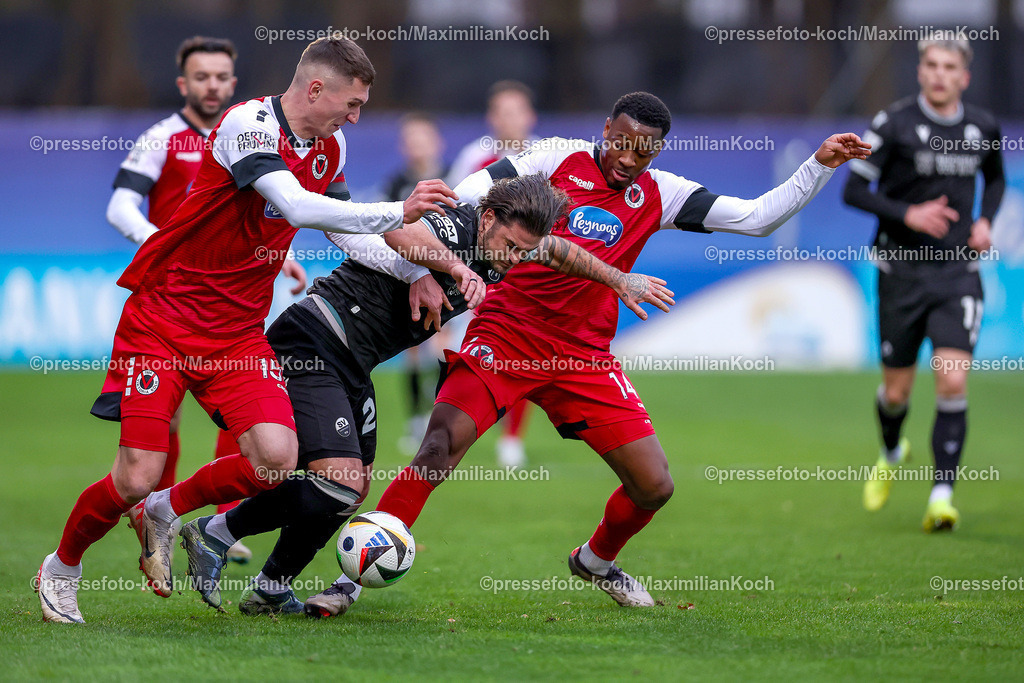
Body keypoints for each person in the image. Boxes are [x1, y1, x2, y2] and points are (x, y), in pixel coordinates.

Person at [332, 91, 869, 609]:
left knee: (654, 486)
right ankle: (351, 579)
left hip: (583, 355)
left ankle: (595, 560)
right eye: (623, 143)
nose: (630, 159)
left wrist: (819, 164)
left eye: (646, 150)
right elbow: (464, 199)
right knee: (438, 448)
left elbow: (757, 218)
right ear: (606, 131)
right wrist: (428, 266)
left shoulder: (663, 193)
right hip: (506, 332)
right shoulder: (549, 158)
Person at [35, 36, 462, 624]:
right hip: (163, 320)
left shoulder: (328, 145)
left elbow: (346, 232)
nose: (356, 117)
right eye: (353, 103)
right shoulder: (249, 125)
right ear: (316, 88)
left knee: (276, 458)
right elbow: (297, 207)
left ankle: (169, 509)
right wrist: (398, 211)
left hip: (236, 334)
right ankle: (62, 567)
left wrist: (415, 267)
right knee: (135, 474)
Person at [177, 173, 674, 615]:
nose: (516, 258)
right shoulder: (451, 228)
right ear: (487, 217)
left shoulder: (511, 243)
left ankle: (269, 587)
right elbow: (379, 229)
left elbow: (562, 251)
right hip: (317, 339)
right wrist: (430, 273)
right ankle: (202, 525)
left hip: (354, 361)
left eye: (525, 251)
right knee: (334, 479)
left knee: (348, 489)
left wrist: (618, 278)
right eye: (512, 246)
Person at [106, 36, 303, 566]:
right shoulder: (163, 138)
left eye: (221, 77)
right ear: (183, 84)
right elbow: (120, 206)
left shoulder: (253, 133)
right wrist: (161, 244)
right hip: (170, 298)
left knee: (244, 417)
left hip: (231, 299)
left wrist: (273, 254)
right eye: (201, 77)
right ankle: (151, 520)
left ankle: (219, 518)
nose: (212, 85)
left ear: (233, 83)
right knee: (160, 429)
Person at [843, 35, 1004, 532]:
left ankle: (941, 494)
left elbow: (995, 178)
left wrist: (985, 221)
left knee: (952, 379)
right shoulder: (893, 124)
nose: (938, 74)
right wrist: (907, 213)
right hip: (901, 273)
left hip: (957, 274)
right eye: (930, 64)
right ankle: (892, 448)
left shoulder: (983, 127)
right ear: (920, 72)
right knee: (896, 393)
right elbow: (853, 189)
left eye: (948, 66)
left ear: (964, 76)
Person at [447, 80, 539, 467]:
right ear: (491, 118)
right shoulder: (475, 158)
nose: (509, 119)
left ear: (530, 117)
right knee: (473, 353)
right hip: (480, 272)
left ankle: (512, 437)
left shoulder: (545, 157)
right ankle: (451, 427)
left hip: (530, 276)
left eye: (516, 111)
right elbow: (452, 206)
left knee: (527, 355)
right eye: (502, 112)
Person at [381, 113, 451, 453]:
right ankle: (414, 421)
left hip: (446, 272)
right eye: (410, 139)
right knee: (410, 350)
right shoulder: (397, 184)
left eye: (422, 138)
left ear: (437, 142)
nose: (416, 146)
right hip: (407, 274)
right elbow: (386, 227)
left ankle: (439, 424)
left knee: (442, 346)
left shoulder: (455, 177)